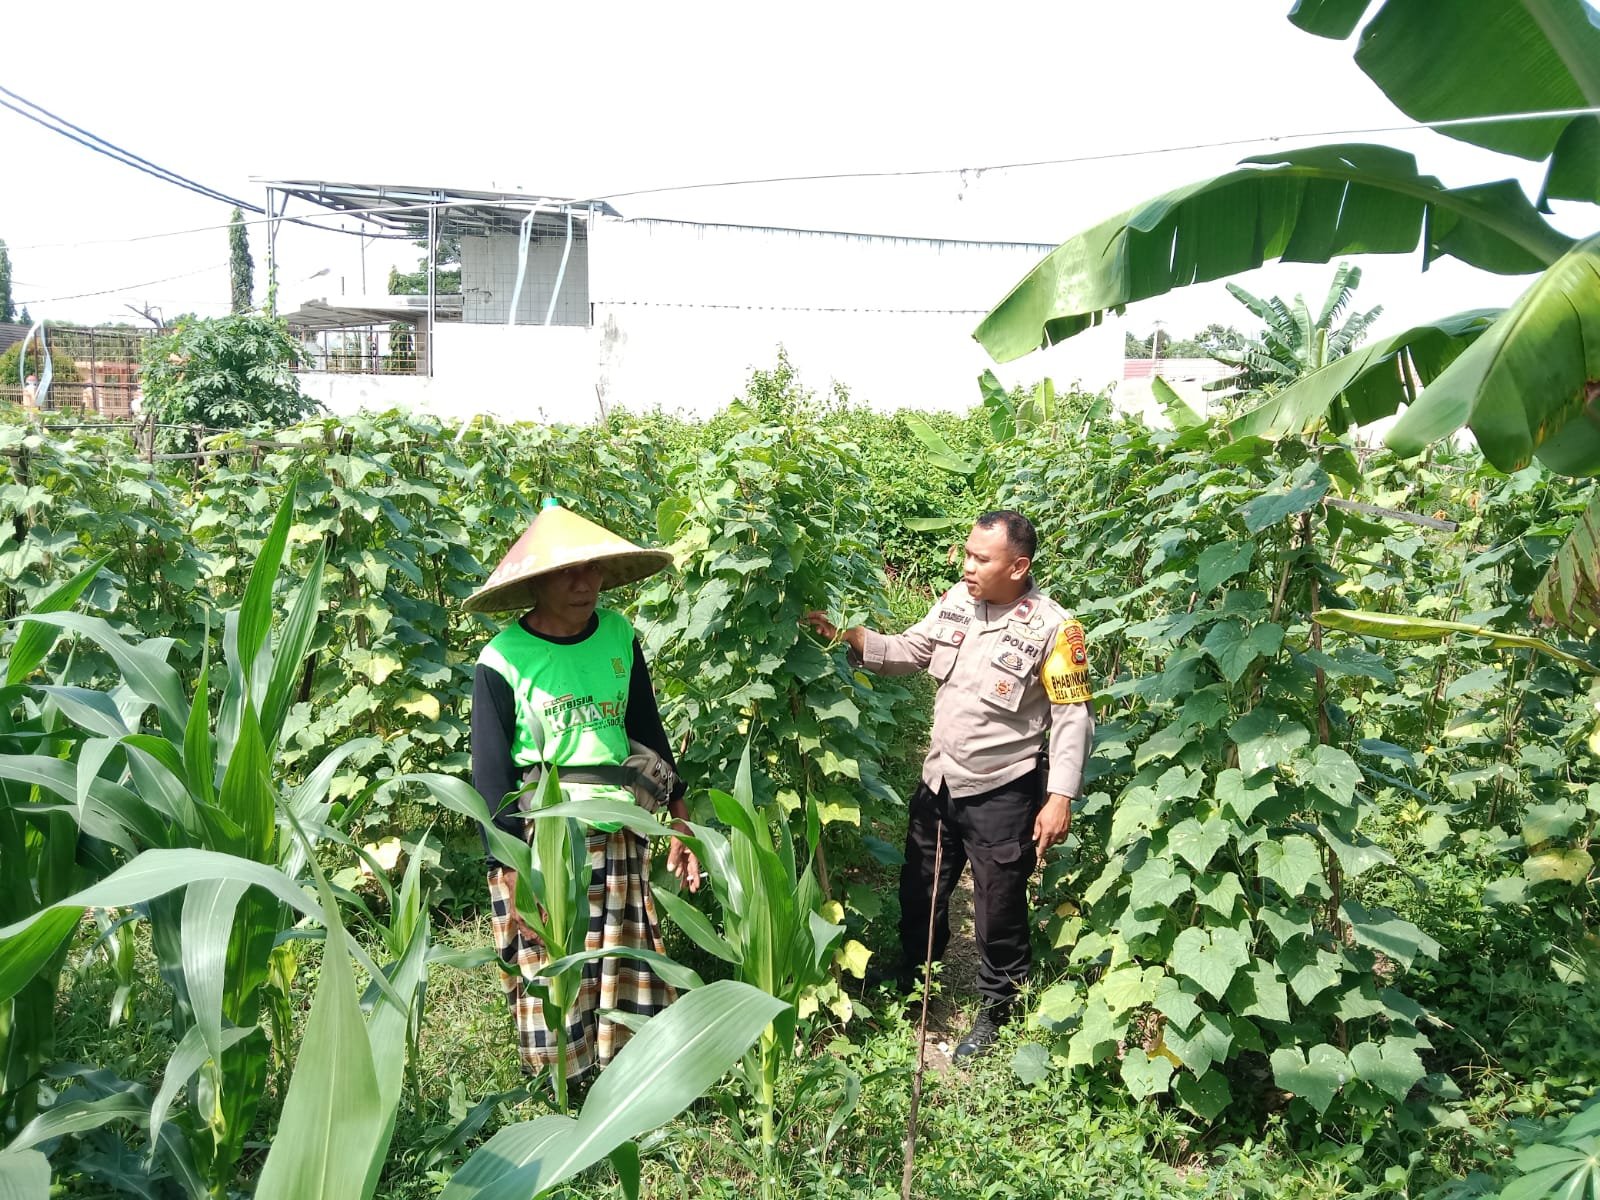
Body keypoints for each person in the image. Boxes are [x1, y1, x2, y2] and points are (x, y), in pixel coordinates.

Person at [803, 510, 1094, 1058]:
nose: (967, 567)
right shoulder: (958, 601)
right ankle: (916, 978)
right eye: (967, 554)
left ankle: (998, 1007)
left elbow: (1072, 717)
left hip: (1003, 788)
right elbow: (912, 650)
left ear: (1018, 567)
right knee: (921, 890)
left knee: (998, 906)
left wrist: (1060, 797)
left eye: (981, 559)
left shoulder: (1055, 628)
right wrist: (852, 637)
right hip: (939, 780)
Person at [467, 498, 701, 1084]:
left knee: (621, 954)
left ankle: (628, 1074)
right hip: (545, 837)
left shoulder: (618, 635)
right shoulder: (502, 661)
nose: (584, 583)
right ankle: (563, 1086)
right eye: (567, 572)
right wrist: (513, 870)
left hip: (619, 825)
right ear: (535, 583)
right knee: (555, 961)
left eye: (592, 568)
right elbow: (491, 777)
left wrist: (678, 816)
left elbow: (646, 728)